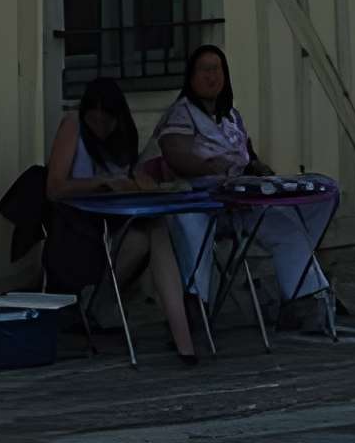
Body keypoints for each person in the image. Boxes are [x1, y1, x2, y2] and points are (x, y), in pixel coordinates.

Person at [156, 45, 329, 323]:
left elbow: (249, 158)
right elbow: (175, 155)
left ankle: (304, 300)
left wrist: (260, 170)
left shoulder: (232, 117)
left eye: (217, 69)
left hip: (239, 202)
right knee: (192, 232)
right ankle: (194, 309)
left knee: (287, 226)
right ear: (191, 76)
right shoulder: (181, 114)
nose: (211, 76)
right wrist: (211, 167)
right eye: (204, 70)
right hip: (197, 202)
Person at [43, 76, 200, 364]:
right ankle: (104, 304)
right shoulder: (73, 126)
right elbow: (54, 188)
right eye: (95, 120)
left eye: (107, 121)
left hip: (116, 222)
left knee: (155, 229)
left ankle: (183, 337)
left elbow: (128, 176)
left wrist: (137, 182)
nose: (100, 128)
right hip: (77, 228)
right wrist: (99, 183)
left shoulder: (123, 138)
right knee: (149, 232)